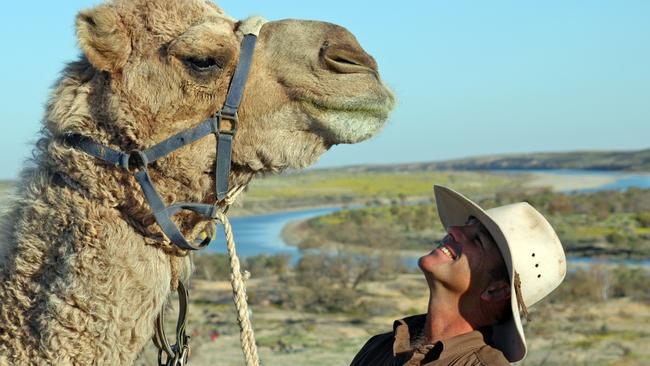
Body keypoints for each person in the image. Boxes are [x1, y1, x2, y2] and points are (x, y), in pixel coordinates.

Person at [350, 185, 567, 365]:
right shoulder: (381, 346)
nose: (453, 229)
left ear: (496, 290)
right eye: (467, 226)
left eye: (477, 240)